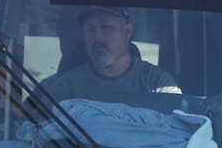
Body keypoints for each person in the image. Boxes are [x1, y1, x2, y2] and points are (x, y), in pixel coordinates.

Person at [37, 7, 181, 102]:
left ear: (128, 31)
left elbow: (177, 127)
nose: (97, 36)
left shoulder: (156, 83)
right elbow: (34, 130)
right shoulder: (66, 87)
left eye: (106, 27)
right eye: (90, 29)